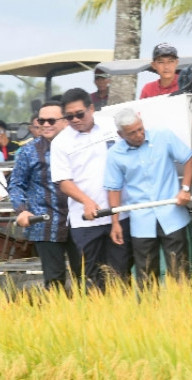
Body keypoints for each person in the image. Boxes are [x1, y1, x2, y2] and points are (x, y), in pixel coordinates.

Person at [104, 108, 192, 288]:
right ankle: (149, 312)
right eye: (132, 133)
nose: (139, 135)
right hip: (141, 220)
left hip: (172, 213)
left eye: (140, 129)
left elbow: (189, 158)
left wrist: (185, 188)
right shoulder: (115, 154)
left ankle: (185, 309)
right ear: (120, 134)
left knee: (180, 272)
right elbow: (113, 189)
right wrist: (115, 222)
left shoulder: (163, 136)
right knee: (146, 275)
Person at [51, 88, 131, 291]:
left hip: (118, 216)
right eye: (69, 117)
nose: (75, 120)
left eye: (80, 114)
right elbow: (63, 180)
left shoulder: (111, 126)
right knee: (92, 278)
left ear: (91, 108)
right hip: (85, 221)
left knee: (120, 273)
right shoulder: (61, 142)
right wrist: (86, 201)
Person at [8, 101, 81, 290]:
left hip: (81, 221)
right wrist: (22, 211)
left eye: (51, 120)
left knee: (86, 277)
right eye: (41, 120)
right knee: (54, 280)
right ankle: (58, 318)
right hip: (45, 223)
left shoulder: (80, 146)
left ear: (65, 122)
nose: (45, 124)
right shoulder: (28, 152)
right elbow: (16, 185)